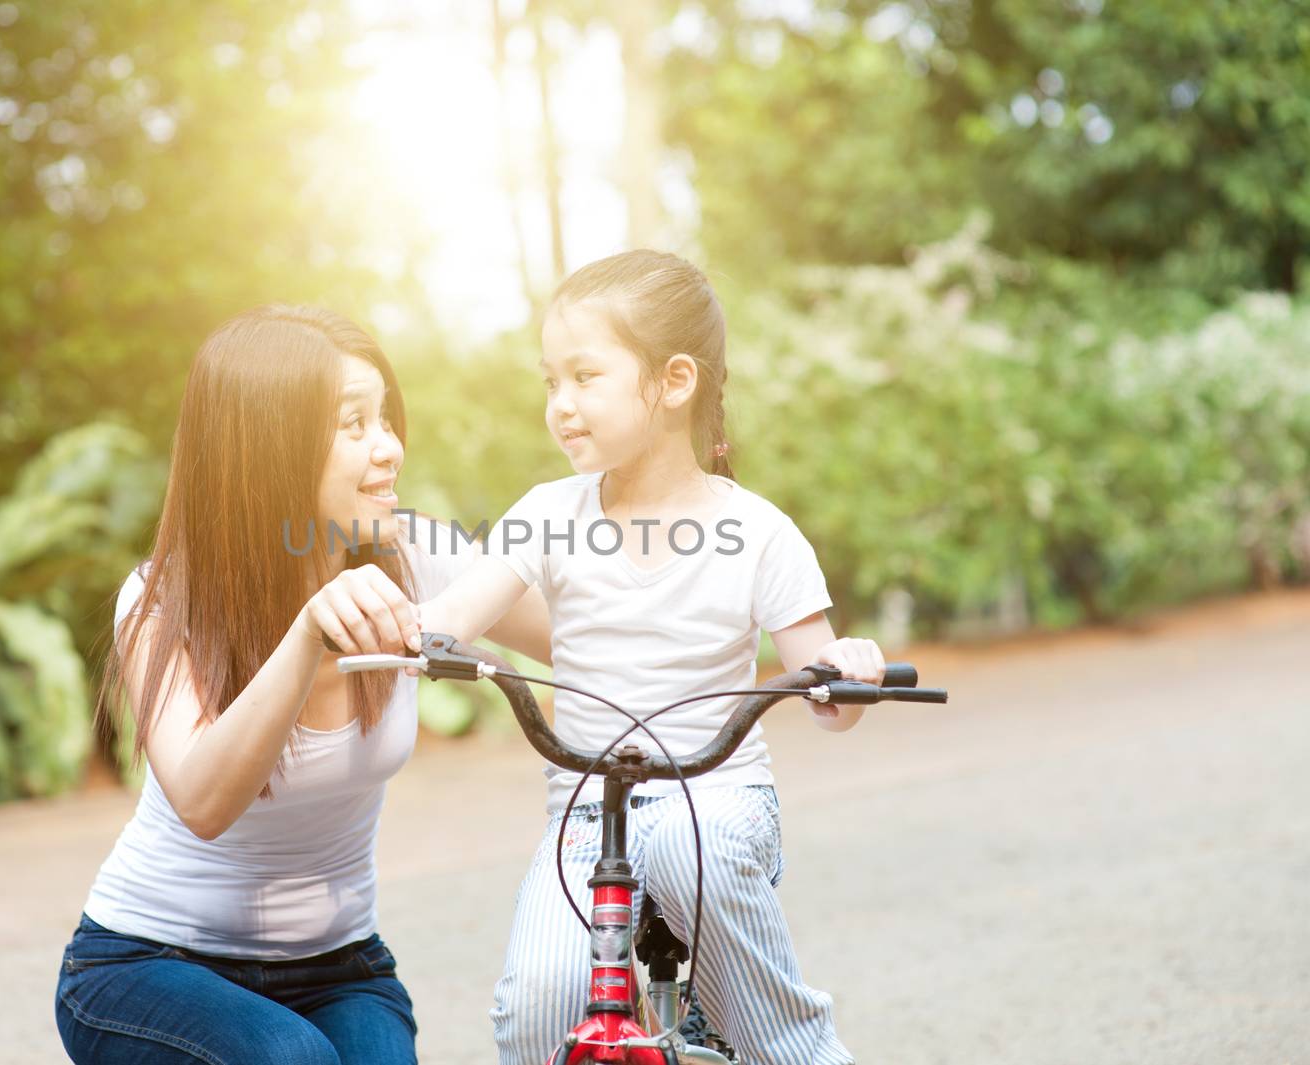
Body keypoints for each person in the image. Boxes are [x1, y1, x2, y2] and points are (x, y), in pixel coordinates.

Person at [415, 251, 882, 1065]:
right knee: (535, 1011)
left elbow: (828, 694)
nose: (560, 405)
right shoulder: (547, 513)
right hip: (588, 818)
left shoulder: (758, 531)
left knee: (677, 849)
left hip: (721, 800)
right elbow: (451, 618)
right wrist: (401, 630)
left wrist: (850, 667)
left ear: (673, 382)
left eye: (584, 376)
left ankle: (799, 1050)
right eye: (549, 381)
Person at [53, 304, 549, 1065]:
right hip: (147, 963)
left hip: (341, 969)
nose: (389, 448)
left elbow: (587, 639)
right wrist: (306, 634)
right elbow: (204, 800)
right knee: (292, 1058)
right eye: (354, 425)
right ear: (266, 448)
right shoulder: (161, 599)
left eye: (385, 418)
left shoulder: (412, 553)